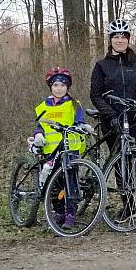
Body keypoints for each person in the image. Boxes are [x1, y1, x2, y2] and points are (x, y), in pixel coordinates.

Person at [89, 19, 136, 219]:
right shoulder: (101, 66)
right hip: (114, 121)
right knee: (122, 164)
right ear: (110, 40)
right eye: (116, 37)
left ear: (128, 40)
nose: (120, 40)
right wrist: (111, 115)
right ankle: (128, 207)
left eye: (123, 37)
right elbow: (96, 95)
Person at [31, 67, 91, 229]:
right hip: (50, 151)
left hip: (70, 149)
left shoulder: (73, 104)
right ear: (51, 86)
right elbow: (40, 126)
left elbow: (79, 121)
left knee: (70, 181)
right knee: (53, 182)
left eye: (63, 85)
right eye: (56, 85)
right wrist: (38, 135)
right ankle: (58, 212)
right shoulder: (44, 106)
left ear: (67, 87)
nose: (59, 88)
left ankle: (70, 213)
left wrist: (83, 126)